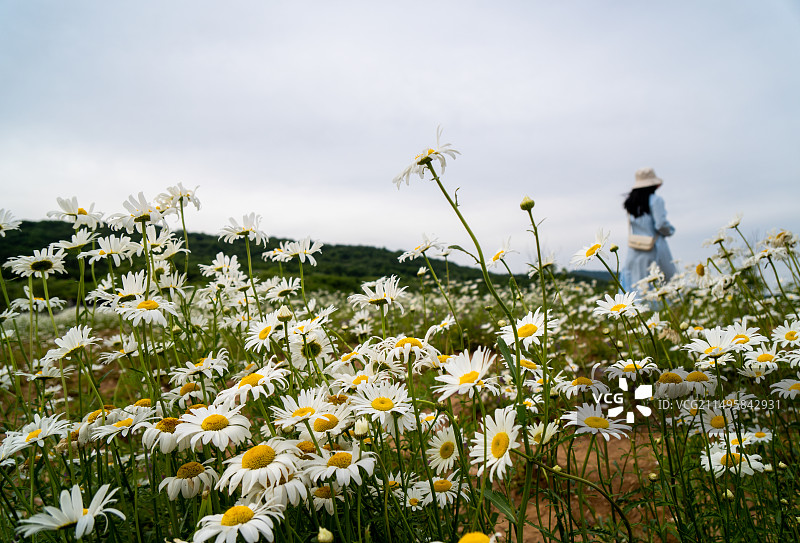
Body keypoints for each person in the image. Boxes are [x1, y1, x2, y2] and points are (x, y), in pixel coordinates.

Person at [620, 167, 677, 293]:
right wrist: (671, 230)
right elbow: (661, 225)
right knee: (663, 282)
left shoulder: (631, 202)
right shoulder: (656, 200)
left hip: (634, 248)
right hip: (654, 246)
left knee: (634, 284)